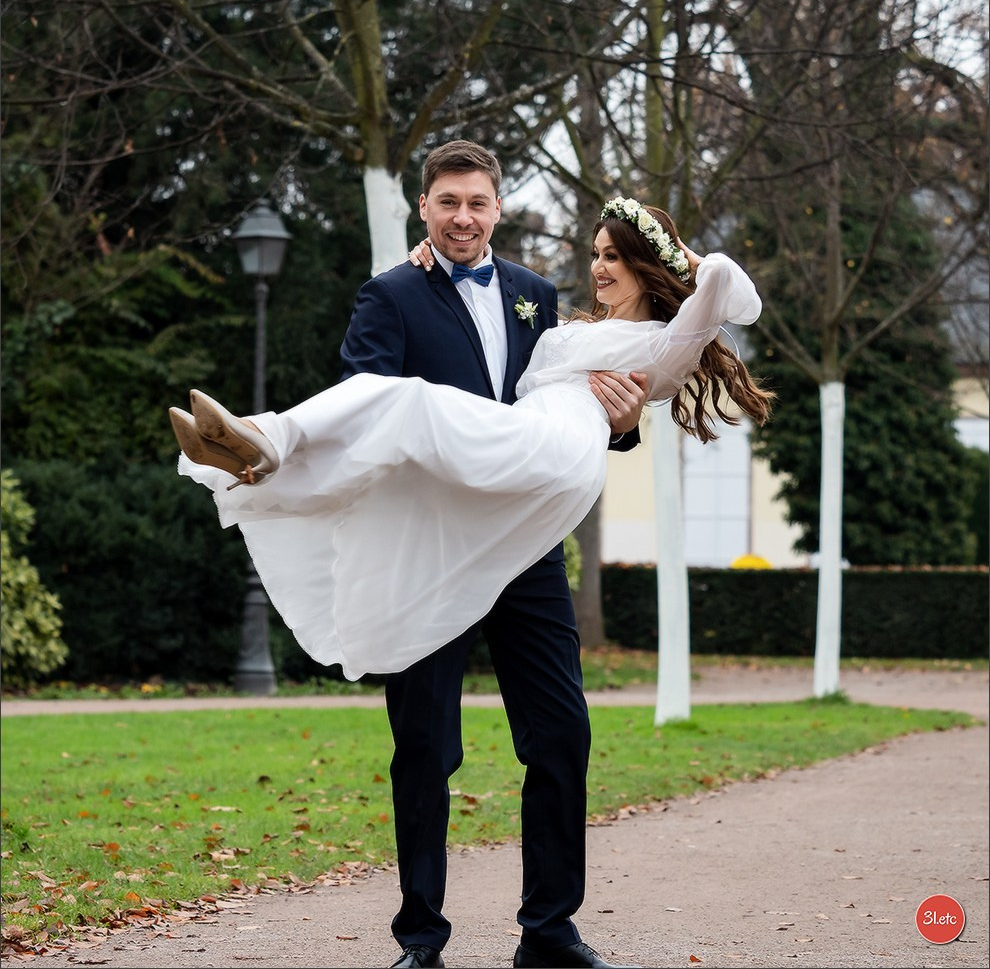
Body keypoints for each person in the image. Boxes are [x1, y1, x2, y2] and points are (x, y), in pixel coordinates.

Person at [170, 143, 773, 969]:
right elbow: (362, 406)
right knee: (424, 747)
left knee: (560, 737)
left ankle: (550, 933)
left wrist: (631, 414)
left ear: (497, 209)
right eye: (448, 202)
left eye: (478, 203)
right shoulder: (390, 294)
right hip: (433, 542)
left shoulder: (535, 294)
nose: (463, 217)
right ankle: (421, 941)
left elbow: (625, 383)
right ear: (425, 206)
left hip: (525, 540)